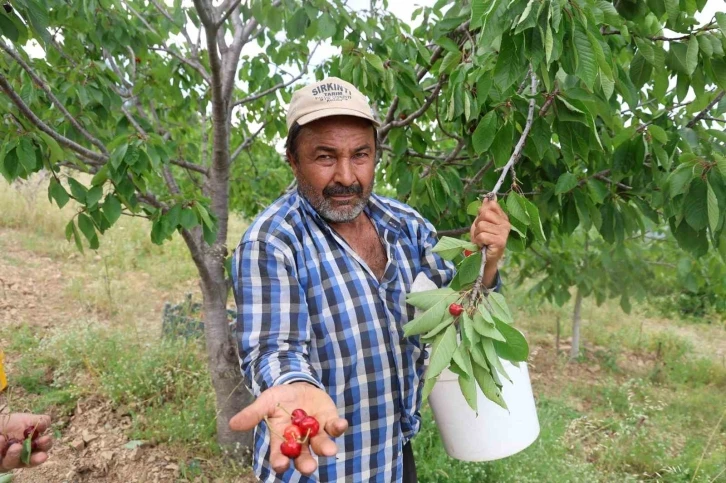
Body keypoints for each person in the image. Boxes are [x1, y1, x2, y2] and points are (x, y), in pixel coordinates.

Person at [229, 77, 511, 482]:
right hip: (319, 465)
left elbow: (456, 305)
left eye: (360, 155)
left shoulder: (405, 225)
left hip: (391, 456)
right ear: (292, 159)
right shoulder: (272, 241)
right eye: (325, 157)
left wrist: (487, 261)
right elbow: (274, 347)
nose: (346, 175)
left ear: (377, 154)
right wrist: (293, 386)